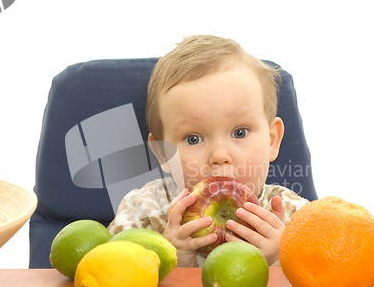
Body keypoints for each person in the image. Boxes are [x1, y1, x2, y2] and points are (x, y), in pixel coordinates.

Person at [107, 35, 308, 267]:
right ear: (163, 154)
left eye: (239, 133)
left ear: (272, 140)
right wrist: (170, 261)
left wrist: (279, 260)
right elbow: (110, 276)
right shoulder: (144, 211)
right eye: (193, 138)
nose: (220, 156)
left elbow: (323, 282)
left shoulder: (294, 217)